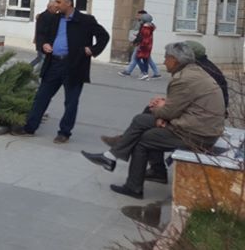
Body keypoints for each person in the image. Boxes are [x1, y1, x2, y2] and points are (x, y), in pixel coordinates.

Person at [81, 42, 225, 199]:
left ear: (174, 60)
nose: (163, 62)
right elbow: (182, 103)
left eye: (165, 58)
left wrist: (161, 113)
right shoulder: (195, 72)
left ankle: (131, 184)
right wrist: (161, 107)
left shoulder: (183, 79)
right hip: (202, 128)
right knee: (144, 119)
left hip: (197, 135)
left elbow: (170, 111)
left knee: (143, 138)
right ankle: (117, 158)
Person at [12, 0, 109, 143]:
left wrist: (92, 49)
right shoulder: (55, 19)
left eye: (58, 2)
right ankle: (29, 127)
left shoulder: (85, 20)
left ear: (68, 3)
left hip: (74, 65)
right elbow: (43, 34)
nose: (55, 4)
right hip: (54, 64)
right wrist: (44, 44)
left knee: (71, 101)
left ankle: (64, 132)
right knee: (42, 96)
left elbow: (104, 36)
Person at [119, 11, 161, 79]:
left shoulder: (145, 27)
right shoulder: (149, 26)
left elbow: (144, 37)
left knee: (137, 58)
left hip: (143, 45)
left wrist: (140, 44)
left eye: (140, 16)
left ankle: (134, 72)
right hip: (146, 46)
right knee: (145, 59)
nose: (138, 17)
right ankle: (151, 73)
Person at [30, 1, 59, 68]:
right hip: (43, 42)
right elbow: (42, 30)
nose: (57, 10)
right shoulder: (46, 16)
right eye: (56, 8)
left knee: (40, 58)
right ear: (50, 7)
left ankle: (27, 68)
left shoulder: (48, 15)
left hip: (42, 42)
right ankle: (36, 75)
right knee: (42, 60)